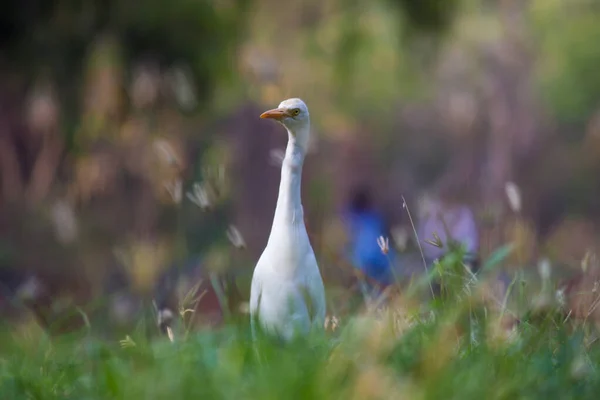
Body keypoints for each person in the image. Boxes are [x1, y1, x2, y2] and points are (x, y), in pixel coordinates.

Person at [342, 186, 396, 298]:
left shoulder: (355, 219)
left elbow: (359, 250)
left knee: (371, 297)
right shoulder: (376, 217)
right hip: (385, 263)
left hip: (366, 265)